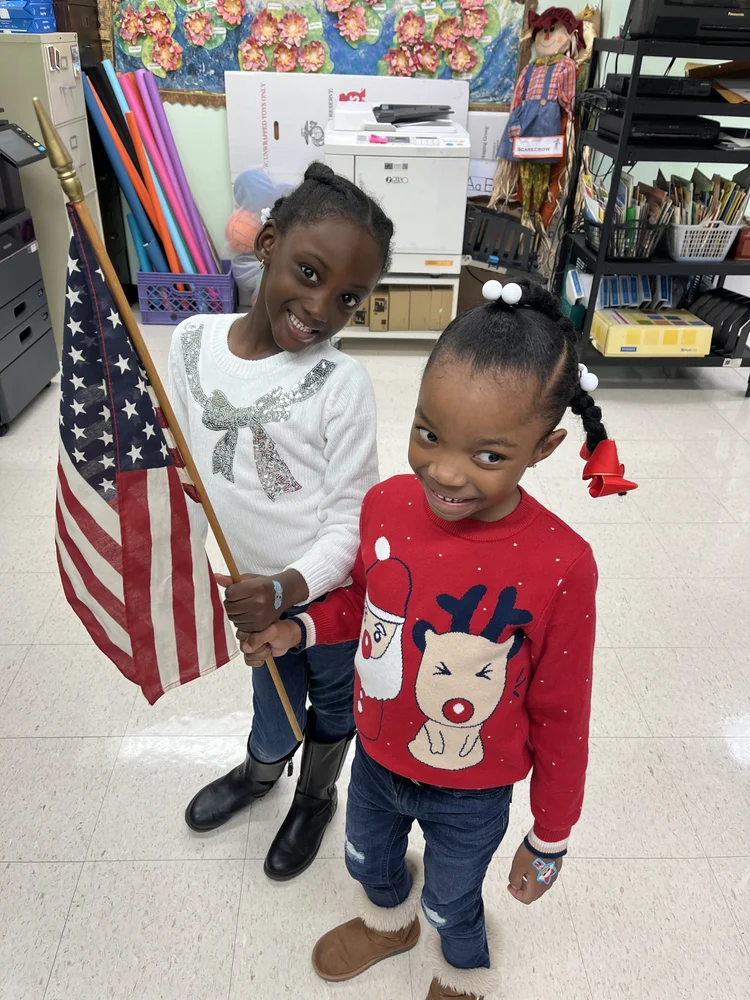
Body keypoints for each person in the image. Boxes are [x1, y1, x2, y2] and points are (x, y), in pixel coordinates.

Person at [241, 279, 636, 999]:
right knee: (367, 863)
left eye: (488, 455)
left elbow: (563, 714)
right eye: (428, 434)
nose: (445, 472)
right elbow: (364, 607)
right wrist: (298, 628)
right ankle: (387, 924)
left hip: (475, 790)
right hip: (376, 759)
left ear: (544, 447)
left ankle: (462, 969)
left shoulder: (563, 564)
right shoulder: (387, 503)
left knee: (454, 899)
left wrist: (549, 836)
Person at [167, 163, 394, 882]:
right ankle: (261, 772)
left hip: (326, 595)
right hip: (251, 591)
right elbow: (186, 467)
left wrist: (286, 590)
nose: (321, 308)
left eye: (348, 298)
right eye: (309, 272)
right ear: (267, 244)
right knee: (271, 696)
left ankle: (316, 796)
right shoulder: (191, 343)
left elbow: (350, 523)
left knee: (332, 703)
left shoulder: (341, 384)